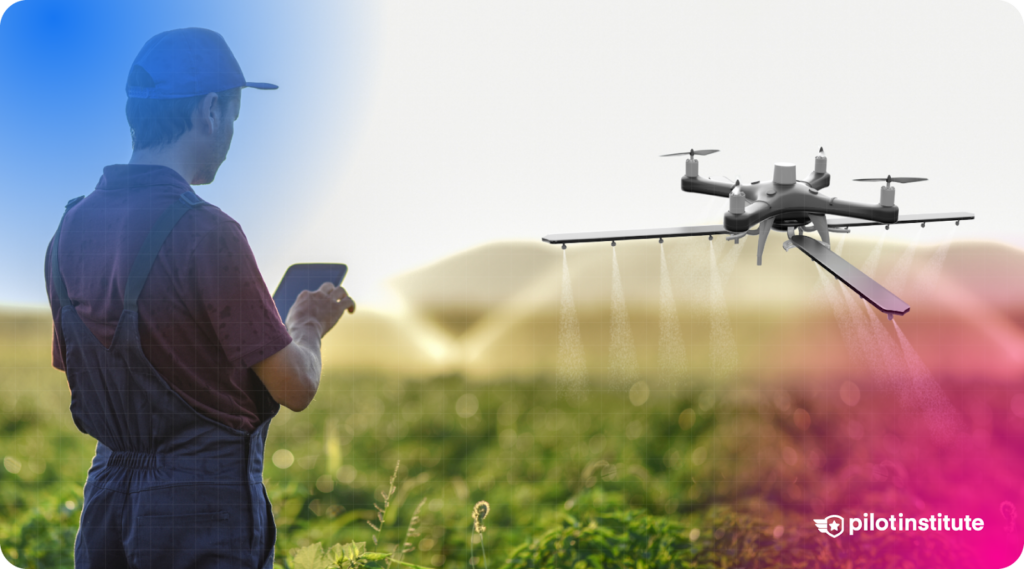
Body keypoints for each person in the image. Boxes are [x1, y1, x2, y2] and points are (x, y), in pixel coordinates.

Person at [43, 28, 354, 568]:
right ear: (210, 110)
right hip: (198, 513)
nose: (232, 131)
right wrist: (305, 324)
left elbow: (95, 364)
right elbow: (296, 386)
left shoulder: (68, 230)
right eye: (234, 114)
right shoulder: (209, 233)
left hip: (105, 511)